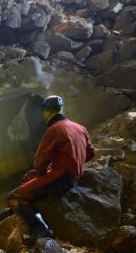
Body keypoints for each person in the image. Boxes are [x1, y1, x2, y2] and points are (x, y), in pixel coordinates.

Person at [6, 95, 95, 244]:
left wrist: (41, 176)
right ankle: (29, 213)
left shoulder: (54, 130)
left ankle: (41, 229)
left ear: (47, 112)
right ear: (61, 109)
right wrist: (75, 162)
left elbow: (40, 161)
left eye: (44, 112)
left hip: (60, 179)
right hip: (74, 177)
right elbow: (91, 153)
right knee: (28, 177)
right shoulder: (79, 127)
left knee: (15, 196)